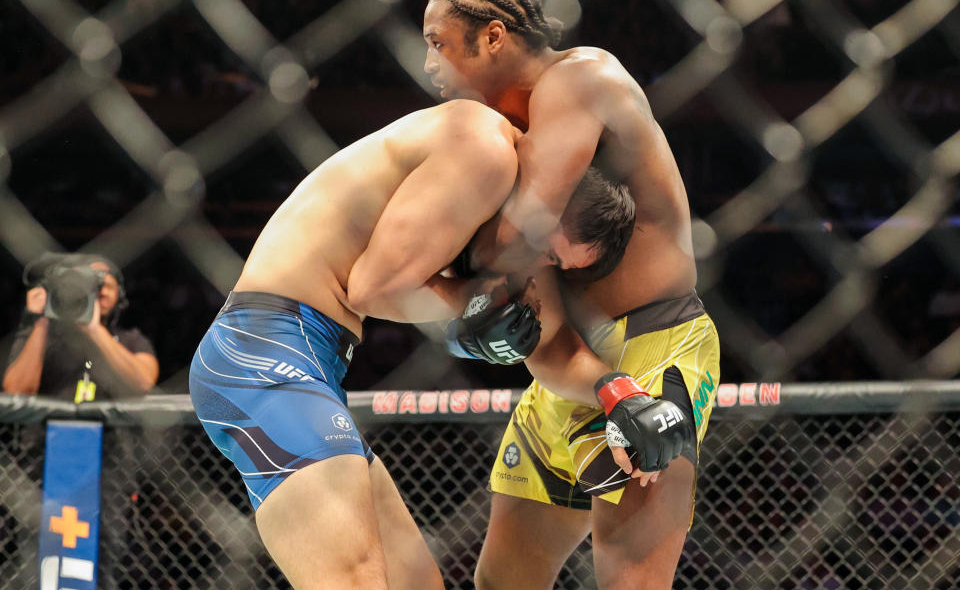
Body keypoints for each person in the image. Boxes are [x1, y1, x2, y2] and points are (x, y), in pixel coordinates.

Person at [187, 99, 636, 590]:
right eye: (550, 251)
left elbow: (549, 350)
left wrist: (621, 394)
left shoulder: (489, 204)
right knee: (356, 581)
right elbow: (370, 288)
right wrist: (468, 309)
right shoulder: (485, 152)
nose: (541, 265)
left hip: (306, 359)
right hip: (264, 349)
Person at [423, 0, 722, 590]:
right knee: (503, 582)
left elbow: (517, 234)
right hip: (570, 371)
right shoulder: (501, 138)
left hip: (653, 345)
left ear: (494, 36)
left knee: (630, 582)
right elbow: (540, 332)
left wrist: (445, 268)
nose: (430, 65)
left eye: (438, 43)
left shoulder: (582, 77)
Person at [3, 252, 158, 402]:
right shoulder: (41, 337)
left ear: (119, 295)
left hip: (111, 428)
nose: (100, 293)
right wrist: (41, 321)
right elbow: (16, 392)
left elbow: (143, 384)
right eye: (92, 288)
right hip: (47, 427)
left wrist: (94, 329)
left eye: (107, 286)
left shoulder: (131, 339)